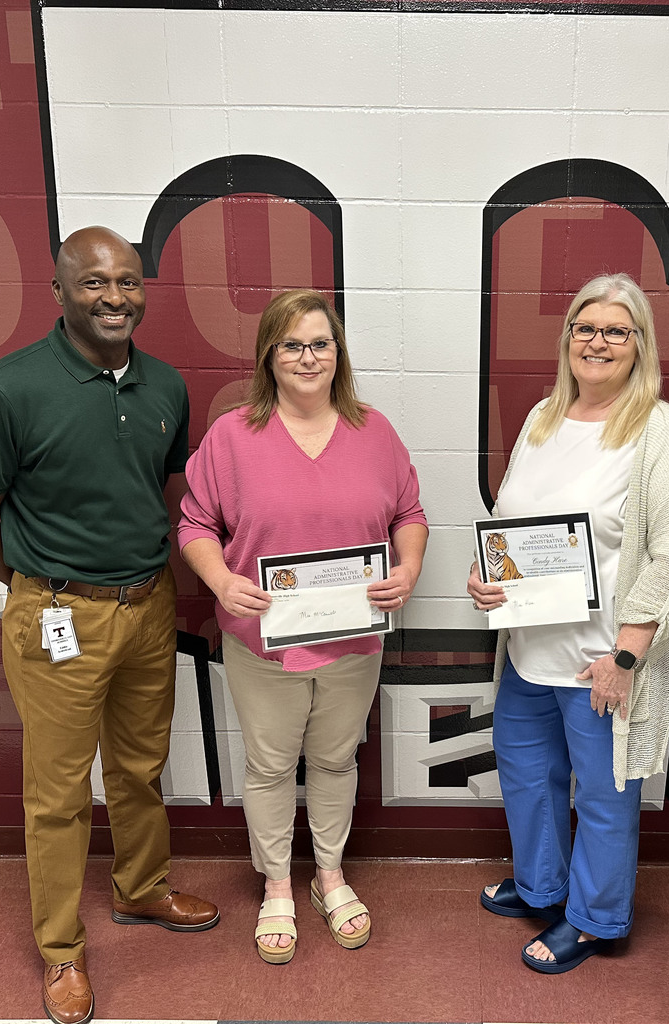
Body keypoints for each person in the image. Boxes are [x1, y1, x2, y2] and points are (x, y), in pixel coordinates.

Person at [0, 227, 219, 1024]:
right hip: (58, 613)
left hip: (148, 606)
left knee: (139, 767)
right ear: (60, 292)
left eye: (128, 281)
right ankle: (62, 950)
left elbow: (159, 490)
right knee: (59, 793)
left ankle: (141, 889)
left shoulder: (166, 386)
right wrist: (33, 584)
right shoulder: (7, 390)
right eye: (94, 282)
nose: (114, 297)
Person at [177, 288, 427, 964]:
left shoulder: (374, 431)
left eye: (321, 343)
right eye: (292, 344)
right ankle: (277, 885)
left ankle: (330, 876)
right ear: (270, 355)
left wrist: (407, 569)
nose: (308, 357)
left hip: (354, 640)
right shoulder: (233, 435)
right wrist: (220, 580)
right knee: (268, 764)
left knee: (335, 760)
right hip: (262, 641)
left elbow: (409, 514)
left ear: (338, 352)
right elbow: (195, 523)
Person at [468, 273, 669, 974]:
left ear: (640, 345)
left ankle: (596, 920)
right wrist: (487, 574)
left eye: (615, 331)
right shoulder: (543, 417)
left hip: (602, 658)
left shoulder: (658, 429)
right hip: (528, 650)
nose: (597, 342)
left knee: (603, 796)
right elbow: (512, 521)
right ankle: (542, 886)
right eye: (585, 327)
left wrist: (627, 655)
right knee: (527, 776)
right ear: (568, 336)